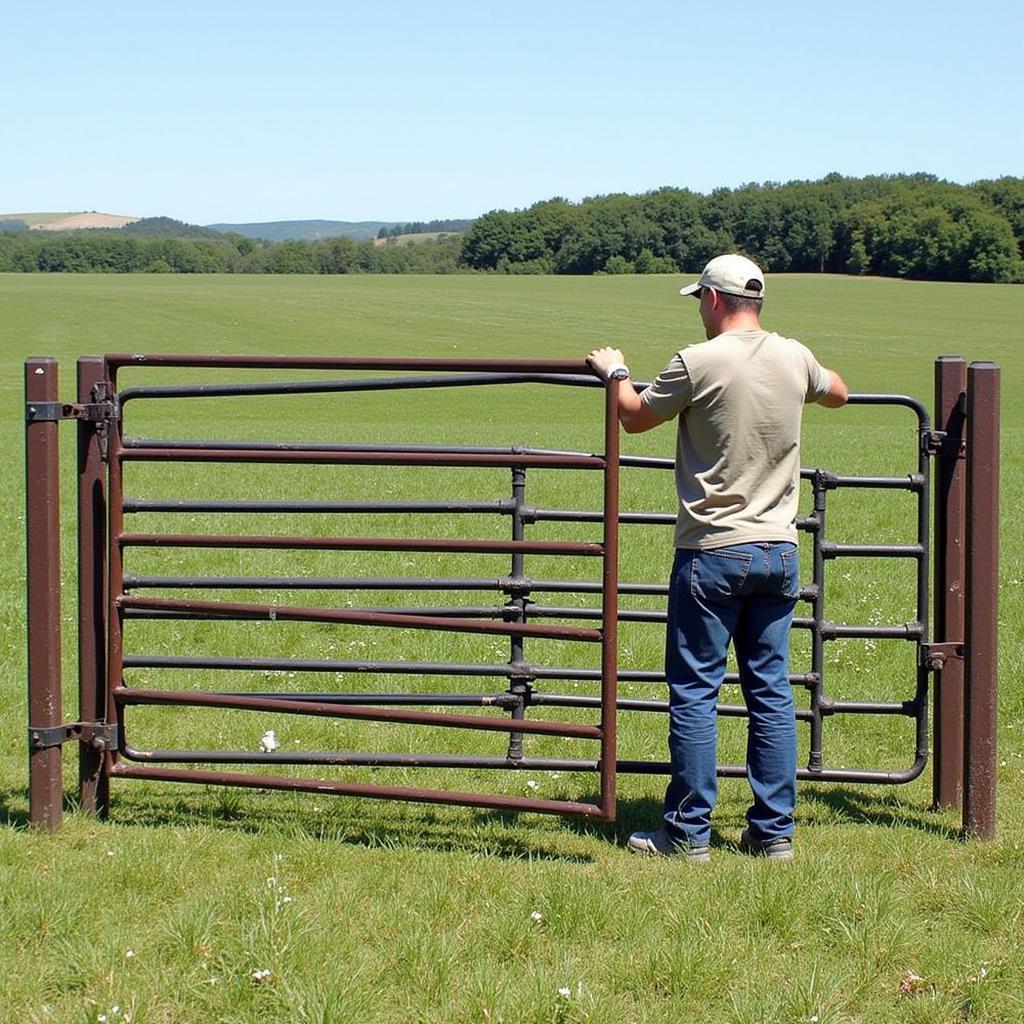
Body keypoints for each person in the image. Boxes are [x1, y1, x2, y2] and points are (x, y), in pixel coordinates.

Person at [587, 253, 848, 862]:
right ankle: (773, 833)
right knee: (771, 691)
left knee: (697, 691)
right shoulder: (794, 355)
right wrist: (808, 381)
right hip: (779, 550)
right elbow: (839, 392)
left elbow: (633, 417)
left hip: (712, 551)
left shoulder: (696, 361)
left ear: (712, 299)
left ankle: (686, 834)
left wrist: (615, 370)